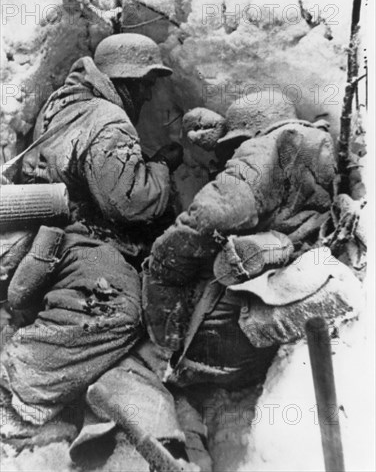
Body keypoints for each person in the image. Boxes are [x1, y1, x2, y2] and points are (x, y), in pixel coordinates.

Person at [70, 91, 360, 471]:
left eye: (235, 144)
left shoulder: (268, 146)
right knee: (187, 383)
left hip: (233, 314)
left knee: (137, 365)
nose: (231, 155)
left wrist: (162, 265)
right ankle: (194, 451)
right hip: (264, 322)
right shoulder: (323, 152)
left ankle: (171, 450)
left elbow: (213, 214)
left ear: (252, 132)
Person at [0, 33, 183, 426]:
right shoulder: (108, 119)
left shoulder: (63, 104)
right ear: (130, 82)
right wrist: (163, 167)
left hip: (45, 231)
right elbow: (130, 203)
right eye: (147, 85)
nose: (149, 96)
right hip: (79, 237)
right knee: (116, 309)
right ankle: (19, 378)